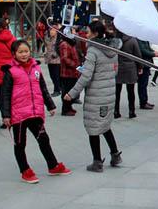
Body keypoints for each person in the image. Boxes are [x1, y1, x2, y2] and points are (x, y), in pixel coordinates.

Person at [0, 40, 72, 183]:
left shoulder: (36, 68)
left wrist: (50, 105)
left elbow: (43, 89)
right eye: (20, 52)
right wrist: (6, 115)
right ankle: (25, 170)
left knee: (44, 139)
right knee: (20, 144)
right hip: (19, 115)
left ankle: (53, 165)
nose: (24, 54)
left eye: (26, 51)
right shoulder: (10, 71)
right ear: (14, 54)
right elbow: (5, 95)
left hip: (35, 112)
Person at [64, 21, 123, 171]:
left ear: (95, 34)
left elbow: (86, 77)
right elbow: (114, 71)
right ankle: (115, 155)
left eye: (88, 32)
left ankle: (97, 161)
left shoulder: (93, 51)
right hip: (109, 94)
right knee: (104, 126)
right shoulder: (112, 48)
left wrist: (72, 93)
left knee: (93, 128)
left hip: (97, 95)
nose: (86, 35)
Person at [114, 32, 140, 119]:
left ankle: (116, 111)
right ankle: (131, 111)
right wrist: (140, 67)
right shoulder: (132, 40)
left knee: (117, 91)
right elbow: (137, 55)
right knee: (131, 91)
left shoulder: (116, 40)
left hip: (118, 66)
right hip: (130, 67)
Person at [58, 32, 81, 116]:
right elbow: (65, 58)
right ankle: (65, 109)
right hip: (67, 72)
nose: (74, 33)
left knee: (71, 90)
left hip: (73, 72)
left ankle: (69, 107)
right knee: (67, 91)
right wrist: (74, 64)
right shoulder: (64, 43)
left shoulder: (71, 42)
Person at [136, 38, 157, 110]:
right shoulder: (139, 39)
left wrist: (153, 51)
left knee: (144, 84)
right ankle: (143, 102)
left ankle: (145, 101)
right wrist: (153, 53)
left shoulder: (144, 39)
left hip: (146, 63)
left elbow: (148, 48)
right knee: (142, 84)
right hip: (143, 63)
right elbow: (142, 51)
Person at [42, 26, 62, 96]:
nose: (52, 32)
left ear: (57, 31)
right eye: (51, 30)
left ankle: (57, 90)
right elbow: (45, 45)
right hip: (49, 59)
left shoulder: (59, 39)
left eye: (53, 30)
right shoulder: (47, 38)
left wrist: (56, 54)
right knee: (52, 75)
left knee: (56, 76)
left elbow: (60, 48)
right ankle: (59, 87)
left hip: (56, 60)